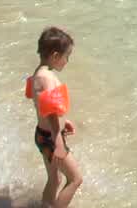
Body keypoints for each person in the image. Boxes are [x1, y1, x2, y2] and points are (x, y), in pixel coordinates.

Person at [25, 26, 83, 208]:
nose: (67, 61)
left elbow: (43, 107)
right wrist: (58, 141)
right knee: (75, 179)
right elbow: (50, 112)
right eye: (67, 56)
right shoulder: (47, 78)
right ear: (55, 56)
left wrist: (64, 122)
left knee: (54, 179)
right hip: (51, 138)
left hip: (42, 134)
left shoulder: (39, 73)